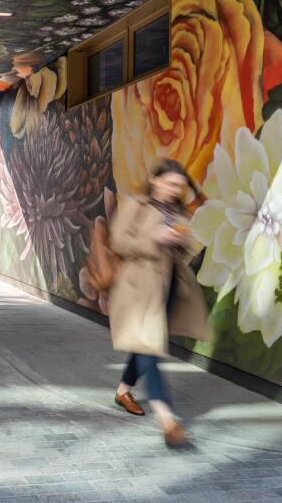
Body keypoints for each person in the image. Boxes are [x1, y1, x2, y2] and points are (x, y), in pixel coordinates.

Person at [107, 158, 209, 448]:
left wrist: (179, 240)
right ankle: (167, 419)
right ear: (155, 180)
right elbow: (118, 242)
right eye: (171, 183)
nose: (176, 190)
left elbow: (182, 250)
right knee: (149, 347)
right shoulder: (136, 205)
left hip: (168, 288)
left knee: (144, 344)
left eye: (180, 186)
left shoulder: (176, 211)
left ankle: (123, 391)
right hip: (138, 289)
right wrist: (154, 238)